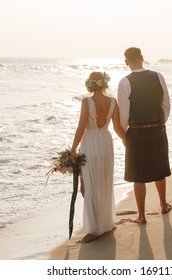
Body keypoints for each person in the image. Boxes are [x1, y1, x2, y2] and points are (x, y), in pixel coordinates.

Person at [117, 47, 172, 224]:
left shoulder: (125, 82)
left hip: (137, 131)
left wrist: (126, 135)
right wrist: (160, 122)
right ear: (142, 58)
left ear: (126, 62)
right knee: (159, 170)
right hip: (157, 128)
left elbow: (123, 115)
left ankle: (141, 216)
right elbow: (166, 103)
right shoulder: (158, 76)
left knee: (137, 175)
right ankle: (163, 205)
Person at [71, 71, 126, 243]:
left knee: (89, 184)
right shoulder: (113, 102)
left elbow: (81, 128)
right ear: (104, 84)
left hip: (91, 143)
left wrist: (72, 149)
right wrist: (126, 141)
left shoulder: (87, 102)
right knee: (104, 181)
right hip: (105, 141)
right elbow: (117, 127)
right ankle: (106, 223)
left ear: (90, 84)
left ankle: (95, 229)